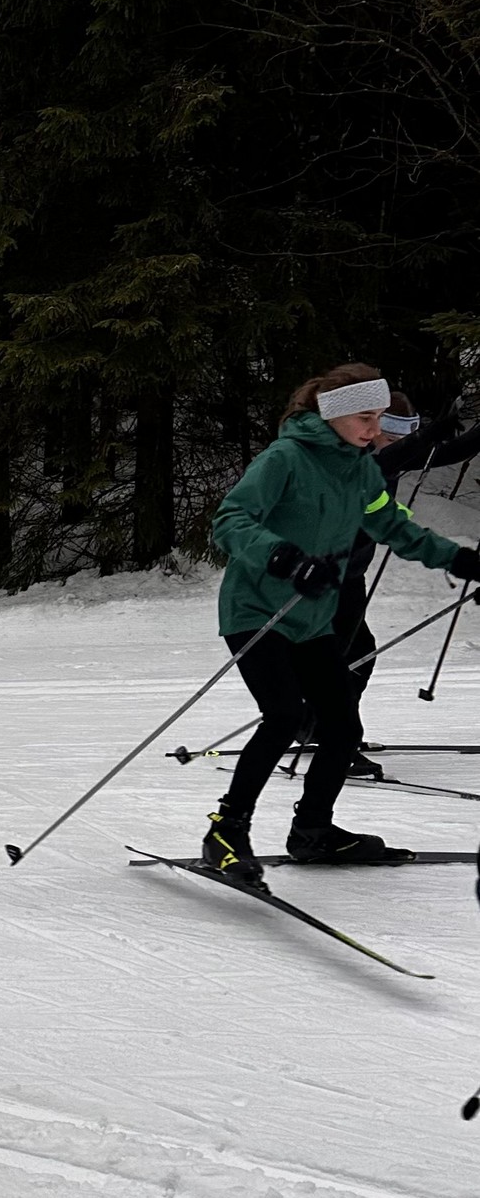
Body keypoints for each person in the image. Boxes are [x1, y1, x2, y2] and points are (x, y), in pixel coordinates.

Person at [201, 364, 480, 883]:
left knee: (342, 724)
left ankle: (312, 831)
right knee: (283, 716)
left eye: (380, 418)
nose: (376, 429)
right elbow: (231, 521)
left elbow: (396, 528)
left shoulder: (359, 470)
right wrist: (285, 558)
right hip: (257, 609)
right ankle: (226, 831)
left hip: (312, 620)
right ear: (332, 414)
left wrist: (462, 561)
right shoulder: (285, 458)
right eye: (365, 417)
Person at [332, 391, 480, 777]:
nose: (395, 442)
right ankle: (335, 738)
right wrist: (423, 439)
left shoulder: (392, 453)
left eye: (404, 436)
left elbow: (447, 453)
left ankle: (323, 729)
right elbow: (388, 461)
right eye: (391, 434)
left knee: (354, 654)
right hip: (321, 572)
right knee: (344, 655)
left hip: (351, 573)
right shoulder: (353, 457)